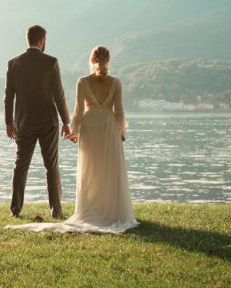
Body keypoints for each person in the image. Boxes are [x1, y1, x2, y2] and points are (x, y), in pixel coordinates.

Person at [7, 45, 138, 233]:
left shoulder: (82, 81)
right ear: (108, 61)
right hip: (109, 128)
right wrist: (121, 132)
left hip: (90, 127)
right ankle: (111, 211)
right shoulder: (116, 83)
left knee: (91, 170)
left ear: (92, 61)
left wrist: (74, 132)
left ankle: (92, 209)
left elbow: (78, 111)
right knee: (109, 169)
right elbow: (119, 111)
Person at [4, 25, 71, 219]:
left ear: (28, 39)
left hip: (23, 122)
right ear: (42, 41)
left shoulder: (14, 63)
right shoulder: (51, 62)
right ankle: (56, 211)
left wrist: (9, 122)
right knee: (51, 167)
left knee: (21, 165)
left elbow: (9, 97)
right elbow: (59, 95)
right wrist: (66, 121)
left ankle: (15, 210)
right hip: (48, 122)